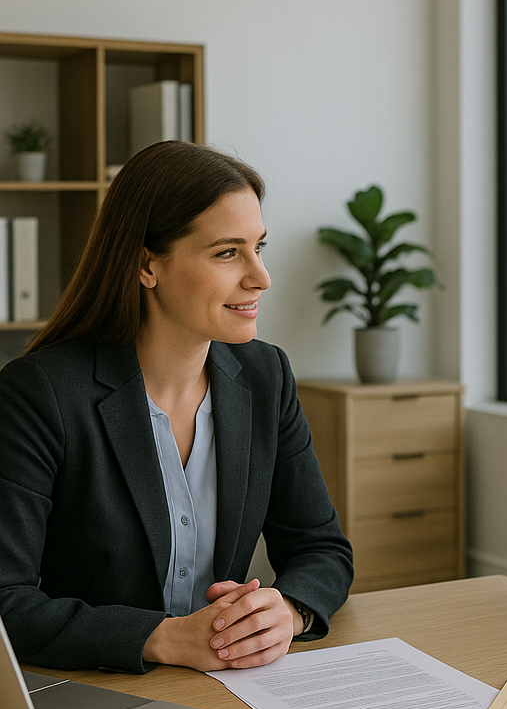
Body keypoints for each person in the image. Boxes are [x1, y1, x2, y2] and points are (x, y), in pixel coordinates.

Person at [0, 140, 353, 675]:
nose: (261, 277)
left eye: (260, 247)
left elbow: (321, 548)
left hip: (225, 687)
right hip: (85, 689)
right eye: (227, 253)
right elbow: (7, 600)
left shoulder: (267, 377)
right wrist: (159, 639)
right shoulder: (39, 394)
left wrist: (288, 610)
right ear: (147, 265)